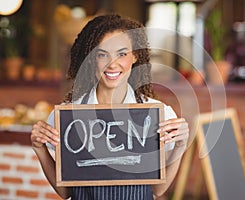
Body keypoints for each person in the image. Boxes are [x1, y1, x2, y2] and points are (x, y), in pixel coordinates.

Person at [31, 14, 189, 200]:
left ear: (135, 56)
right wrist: (39, 149)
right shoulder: (67, 115)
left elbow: (157, 190)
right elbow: (65, 192)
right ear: (91, 59)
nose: (112, 64)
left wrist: (179, 146)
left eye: (122, 54)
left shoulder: (158, 114)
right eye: (102, 54)